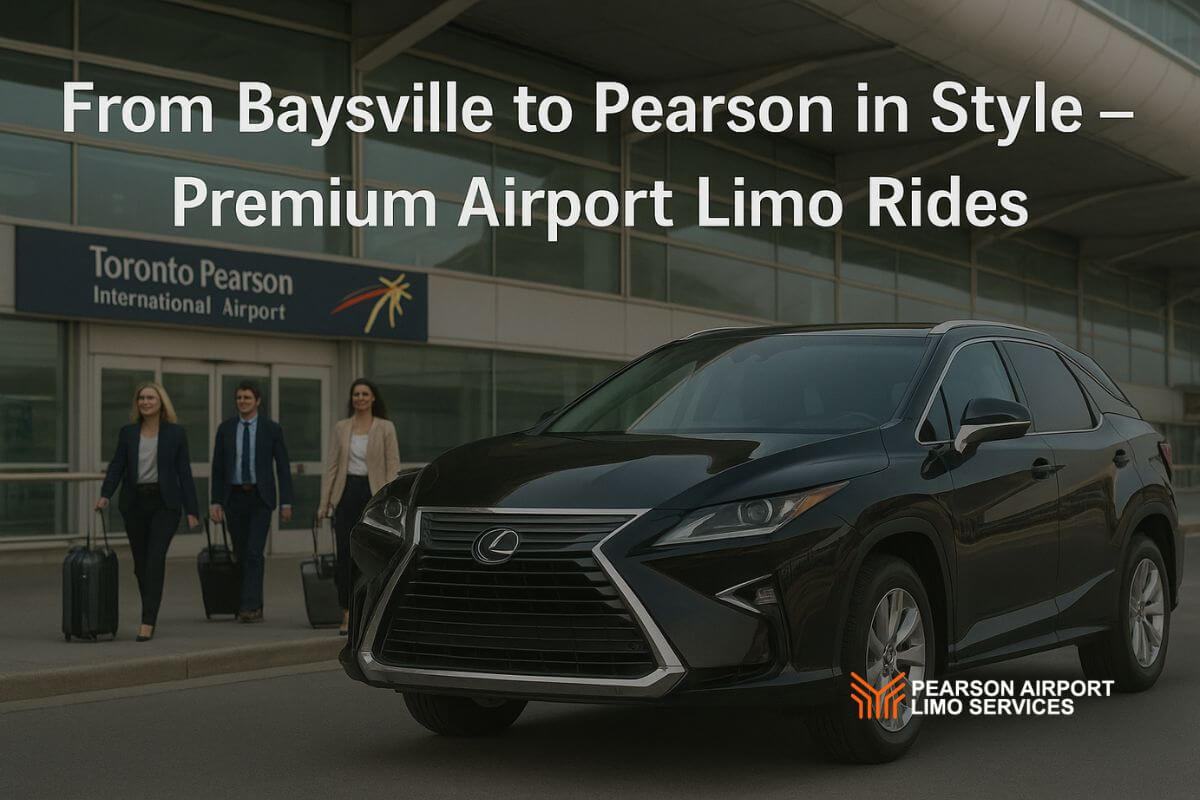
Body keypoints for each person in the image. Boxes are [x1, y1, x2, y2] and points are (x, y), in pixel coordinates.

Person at [96, 382, 200, 642]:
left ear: (161, 403)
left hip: (165, 505)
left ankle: (148, 619)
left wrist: (192, 510)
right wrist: (105, 495)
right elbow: (117, 465)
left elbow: (184, 473)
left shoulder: (175, 434)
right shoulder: (128, 433)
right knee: (141, 566)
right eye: (141, 398)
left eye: (150, 397)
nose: (145, 402)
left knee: (154, 560)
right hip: (135, 504)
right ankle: (150, 606)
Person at [320, 379, 401, 635]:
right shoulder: (341, 428)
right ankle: (346, 612)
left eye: (365, 394)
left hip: (373, 494)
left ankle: (372, 611)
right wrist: (325, 503)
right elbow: (332, 466)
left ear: (373, 398)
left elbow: (393, 465)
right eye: (356, 394)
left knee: (371, 555)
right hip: (346, 494)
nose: (360, 398)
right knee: (345, 554)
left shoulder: (386, 428)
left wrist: (390, 501)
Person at [210, 381, 293, 623]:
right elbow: (218, 468)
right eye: (239, 398)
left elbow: (283, 467)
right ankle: (246, 602)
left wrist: (286, 502)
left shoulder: (271, 429)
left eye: (247, 398)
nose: (242, 402)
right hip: (233, 497)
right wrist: (215, 501)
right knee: (241, 553)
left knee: (254, 552)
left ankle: (250, 606)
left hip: (260, 497)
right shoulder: (226, 428)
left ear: (257, 401)